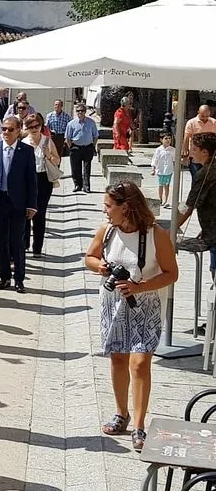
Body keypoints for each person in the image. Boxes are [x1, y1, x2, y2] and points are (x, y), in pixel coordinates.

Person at [84, 181, 178, 451]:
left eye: (109, 206)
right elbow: (89, 257)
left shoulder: (155, 235)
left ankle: (139, 425)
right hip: (112, 304)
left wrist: (139, 286)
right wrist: (100, 266)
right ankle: (121, 413)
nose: (105, 211)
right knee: (117, 357)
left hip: (144, 305)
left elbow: (172, 273)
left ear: (125, 208)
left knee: (139, 363)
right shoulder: (108, 231)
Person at [0, 116, 38, 294]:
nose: (6, 133)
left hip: (18, 202)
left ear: (18, 131)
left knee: (17, 241)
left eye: (10, 129)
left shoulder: (26, 151)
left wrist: (32, 205)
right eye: (3, 129)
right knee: (0, 241)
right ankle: (4, 276)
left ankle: (19, 279)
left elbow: (31, 180)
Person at [177, 133, 216, 275]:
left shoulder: (205, 174)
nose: (190, 153)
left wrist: (172, 229)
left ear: (204, 152)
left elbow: (189, 207)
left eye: (193, 149)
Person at [22, 114, 61, 258]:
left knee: (40, 213)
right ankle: (24, 244)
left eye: (36, 126)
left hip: (43, 179)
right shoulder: (24, 142)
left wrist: (48, 155)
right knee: (26, 212)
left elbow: (57, 161)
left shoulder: (47, 142)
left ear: (41, 126)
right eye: (30, 126)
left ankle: (37, 247)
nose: (33, 129)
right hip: (27, 179)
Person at [65, 104, 99, 193]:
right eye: (78, 111)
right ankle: (77, 185)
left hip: (87, 147)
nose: (80, 112)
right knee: (75, 168)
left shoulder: (91, 122)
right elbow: (68, 137)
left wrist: (93, 146)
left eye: (82, 110)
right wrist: (71, 147)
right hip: (75, 147)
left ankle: (86, 186)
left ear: (85, 112)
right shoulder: (71, 123)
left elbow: (95, 136)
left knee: (87, 168)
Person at [182, 106, 216, 177]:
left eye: (207, 116)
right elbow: (186, 138)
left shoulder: (214, 122)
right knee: (196, 179)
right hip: (195, 157)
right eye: (202, 116)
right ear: (198, 112)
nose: (205, 118)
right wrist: (185, 155)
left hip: (209, 157)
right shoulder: (191, 122)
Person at [151, 133, 176, 209]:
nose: (168, 140)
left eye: (169, 138)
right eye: (166, 138)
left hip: (169, 169)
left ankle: (166, 200)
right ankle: (160, 199)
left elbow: (174, 160)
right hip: (160, 169)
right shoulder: (158, 149)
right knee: (160, 185)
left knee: (167, 185)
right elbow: (155, 159)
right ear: (161, 140)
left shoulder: (173, 150)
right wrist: (153, 168)